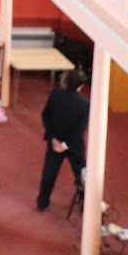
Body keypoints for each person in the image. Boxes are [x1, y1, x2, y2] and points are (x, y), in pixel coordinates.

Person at [36, 69, 88, 210]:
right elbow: (79, 129)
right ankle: (86, 204)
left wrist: (53, 138)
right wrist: (66, 145)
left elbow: (45, 116)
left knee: (49, 173)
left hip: (54, 142)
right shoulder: (85, 104)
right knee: (82, 175)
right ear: (80, 85)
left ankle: (42, 203)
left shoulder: (55, 95)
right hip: (74, 145)